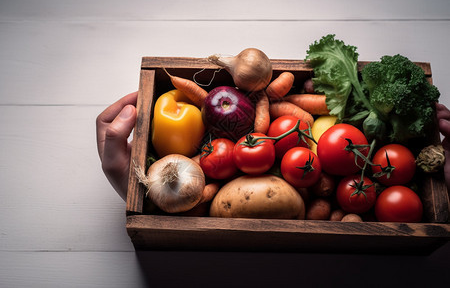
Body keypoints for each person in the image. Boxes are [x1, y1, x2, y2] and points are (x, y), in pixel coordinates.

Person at [96, 93, 450, 201]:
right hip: (285, 151)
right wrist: (136, 189)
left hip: (320, 161)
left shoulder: (290, 145)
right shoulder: (280, 144)